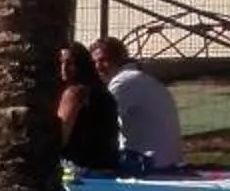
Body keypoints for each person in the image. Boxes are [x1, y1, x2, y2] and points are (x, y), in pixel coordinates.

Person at [91, 36, 184, 172]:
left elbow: (98, 124)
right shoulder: (138, 78)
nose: (98, 67)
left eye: (103, 60)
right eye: (94, 62)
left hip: (147, 162)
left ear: (119, 59)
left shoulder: (123, 82)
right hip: (165, 160)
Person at [54, 42, 123, 171]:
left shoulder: (74, 93)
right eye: (60, 63)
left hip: (81, 168)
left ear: (81, 65)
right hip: (110, 166)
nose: (63, 69)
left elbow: (60, 138)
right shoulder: (102, 90)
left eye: (70, 63)